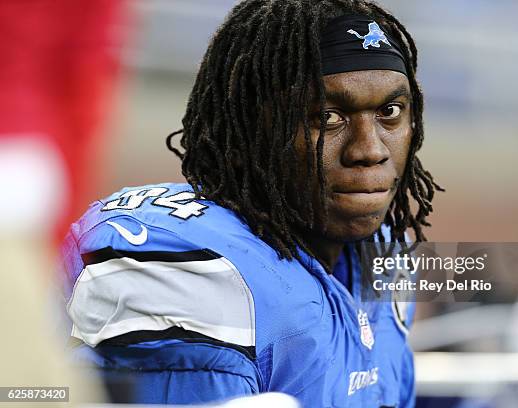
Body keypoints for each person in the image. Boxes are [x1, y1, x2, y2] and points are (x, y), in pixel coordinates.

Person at [62, 0, 442, 406]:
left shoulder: (384, 254)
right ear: (252, 130)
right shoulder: (195, 270)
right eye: (329, 117)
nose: (369, 150)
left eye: (389, 112)